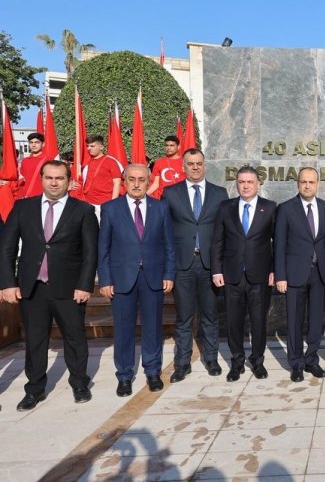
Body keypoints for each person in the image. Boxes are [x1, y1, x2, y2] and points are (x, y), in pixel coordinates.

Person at [0, 160, 98, 411]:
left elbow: (90, 253)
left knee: (75, 338)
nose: (54, 182)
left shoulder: (83, 210)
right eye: (49, 178)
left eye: (60, 178)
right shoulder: (23, 208)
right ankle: (34, 389)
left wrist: (85, 284)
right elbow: (7, 248)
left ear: (68, 180)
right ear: (42, 178)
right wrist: (8, 283)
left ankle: (79, 383)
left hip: (69, 288)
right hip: (32, 288)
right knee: (34, 341)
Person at [98, 163, 175, 396]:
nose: (136, 184)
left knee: (153, 327)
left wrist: (169, 274)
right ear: (124, 180)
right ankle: (124, 375)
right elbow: (104, 248)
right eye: (132, 179)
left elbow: (169, 245)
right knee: (123, 329)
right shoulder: (111, 208)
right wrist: (105, 279)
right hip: (122, 278)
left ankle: (153, 371)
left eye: (142, 179)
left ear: (148, 180)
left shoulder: (160, 208)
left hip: (153, 277)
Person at [162, 148, 229, 383]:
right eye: (190, 164)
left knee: (210, 314)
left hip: (210, 265)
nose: (195, 167)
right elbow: (165, 232)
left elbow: (224, 232)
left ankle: (211, 358)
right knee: (184, 317)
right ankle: (182, 363)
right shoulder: (170, 193)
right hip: (183, 265)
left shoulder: (220, 194)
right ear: (183, 166)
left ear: (205, 165)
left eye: (199, 163)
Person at [211, 166, 276, 382]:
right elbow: (217, 241)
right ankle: (237, 363)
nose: (246, 186)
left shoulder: (270, 208)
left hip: (260, 276)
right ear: (236, 184)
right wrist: (216, 270)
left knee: (259, 322)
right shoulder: (225, 208)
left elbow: (277, 243)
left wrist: (275, 270)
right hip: (232, 275)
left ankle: (257, 362)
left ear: (258, 184)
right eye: (241, 182)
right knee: (233, 322)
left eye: (250, 182)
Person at [275, 167, 325, 383]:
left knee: (316, 320)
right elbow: (279, 244)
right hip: (294, 274)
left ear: (318, 184)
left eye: (311, 182)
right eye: (303, 182)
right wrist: (280, 275)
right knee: (294, 321)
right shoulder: (286, 209)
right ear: (297, 184)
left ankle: (312, 360)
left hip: (319, 275)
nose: (307, 185)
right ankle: (297, 363)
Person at [79, 135, 122, 216]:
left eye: (92, 146)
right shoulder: (86, 161)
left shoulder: (111, 162)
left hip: (105, 203)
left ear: (101, 147)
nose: (89, 148)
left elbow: (117, 183)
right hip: (87, 202)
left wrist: (113, 203)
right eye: (87, 146)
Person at [147, 136, 185, 200]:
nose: (169, 148)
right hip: (163, 198)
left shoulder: (185, 162)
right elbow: (156, 184)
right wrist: (144, 196)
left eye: (172, 145)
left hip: (181, 198)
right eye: (167, 145)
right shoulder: (159, 162)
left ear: (178, 147)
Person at [16, 133, 48, 199]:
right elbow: (21, 179)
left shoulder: (49, 160)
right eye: (31, 142)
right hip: (26, 196)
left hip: (43, 197)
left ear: (43, 144)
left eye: (37, 142)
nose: (33, 145)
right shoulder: (25, 161)